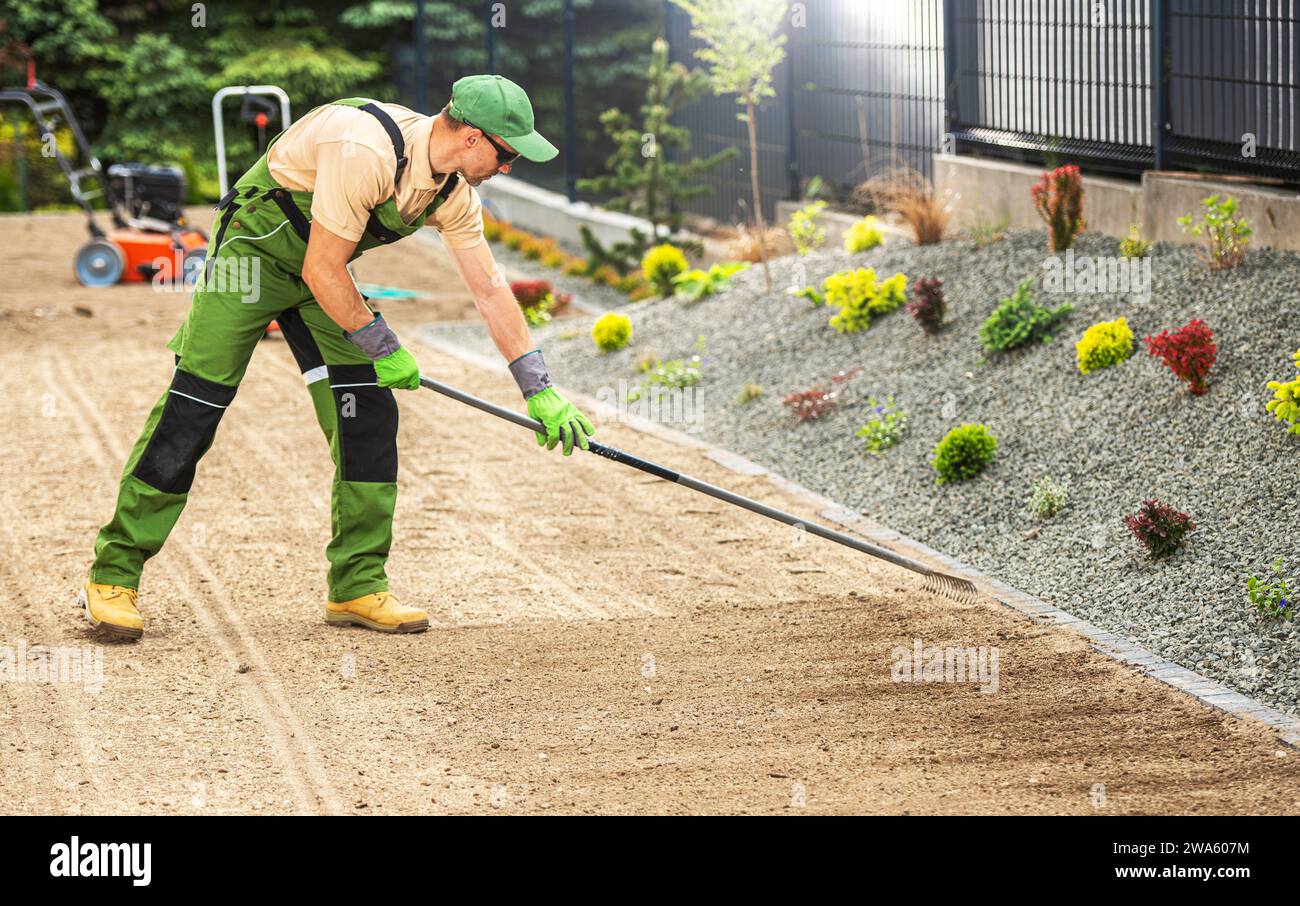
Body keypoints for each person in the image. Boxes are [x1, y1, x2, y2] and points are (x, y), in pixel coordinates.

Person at [81, 74, 595, 639]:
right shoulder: (365, 148)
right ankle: (115, 575)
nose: (508, 167)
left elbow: (490, 290)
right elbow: (320, 269)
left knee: (366, 412)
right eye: (507, 154)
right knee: (194, 409)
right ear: (473, 137)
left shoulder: (452, 191)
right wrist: (385, 346)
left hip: (323, 273)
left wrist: (538, 388)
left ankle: (356, 584)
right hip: (254, 257)